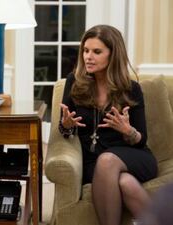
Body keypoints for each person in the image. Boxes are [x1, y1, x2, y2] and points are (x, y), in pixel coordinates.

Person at [59, 24, 157, 225]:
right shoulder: (74, 82)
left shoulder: (131, 89)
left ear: (113, 56)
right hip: (92, 162)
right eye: (85, 51)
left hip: (133, 157)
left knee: (109, 160)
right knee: (124, 182)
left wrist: (128, 131)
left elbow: (141, 140)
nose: (88, 57)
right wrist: (66, 125)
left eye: (96, 52)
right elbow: (65, 130)